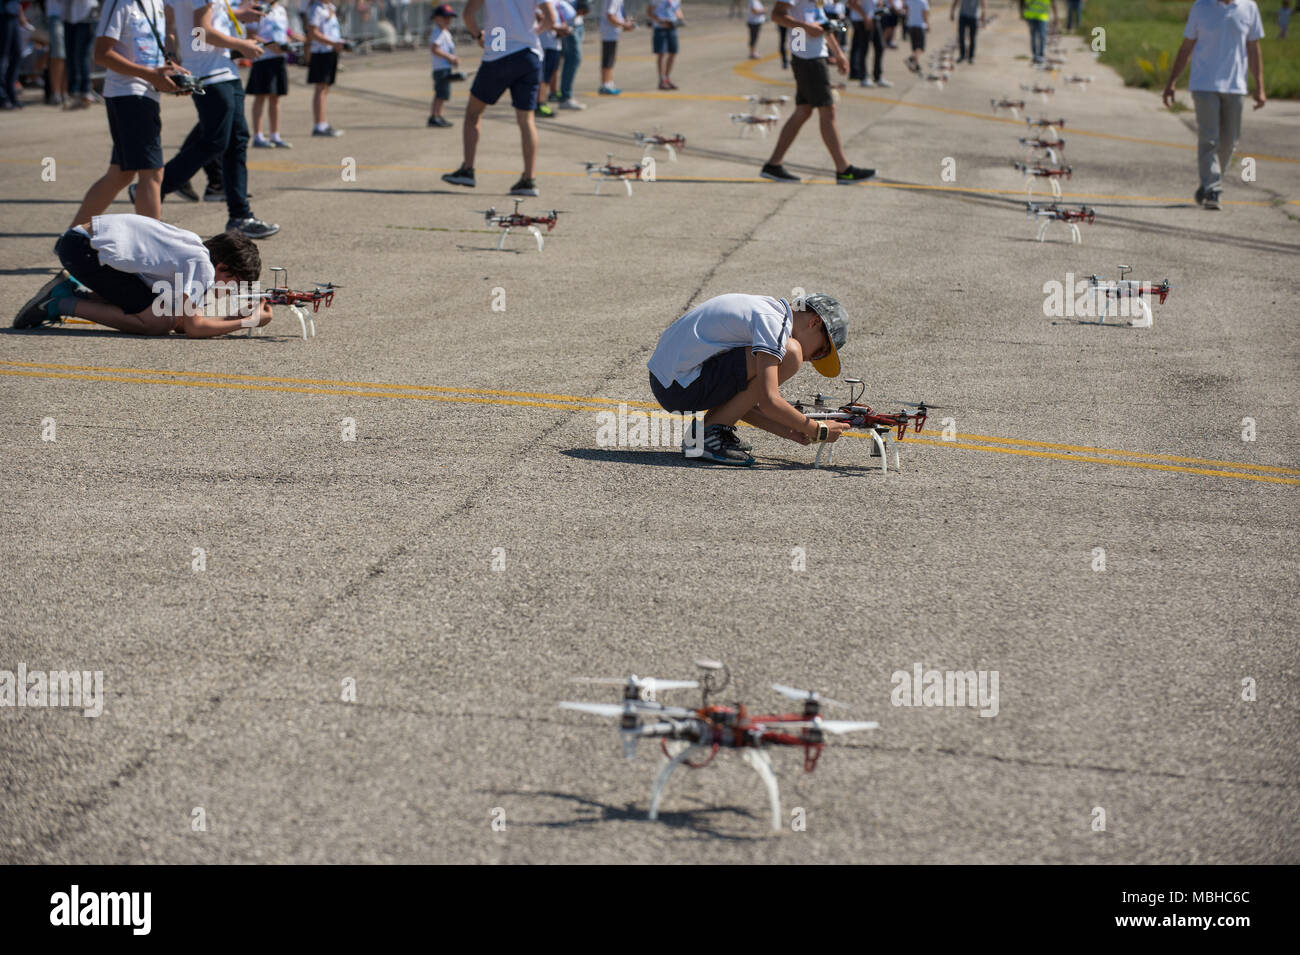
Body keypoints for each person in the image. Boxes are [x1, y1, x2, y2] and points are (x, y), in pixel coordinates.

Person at [647, 292, 852, 465]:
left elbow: (740, 400)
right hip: (681, 386)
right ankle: (706, 438)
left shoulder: (769, 310)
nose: (812, 359)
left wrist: (791, 430)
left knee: (784, 356)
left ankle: (704, 435)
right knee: (792, 353)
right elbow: (768, 401)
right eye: (821, 351)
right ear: (814, 322)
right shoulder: (775, 324)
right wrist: (817, 429)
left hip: (671, 382)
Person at [13, 214, 273, 337]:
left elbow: (181, 321)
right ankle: (61, 302)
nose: (227, 292)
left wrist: (230, 317)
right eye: (233, 285)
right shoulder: (202, 266)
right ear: (224, 268)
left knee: (162, 315)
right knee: (156, 324)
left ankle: (73, 293)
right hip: (85, 251)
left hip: (80, 243)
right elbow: (194, 328)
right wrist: (248, 321)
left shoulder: (194, 249)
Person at [151, 0, 278, 238]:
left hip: (219, 69)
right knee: (216, 141)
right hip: (210, 73)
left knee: (235, 140)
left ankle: (240, 216)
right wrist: (243, 45)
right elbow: (203, 31)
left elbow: (172, 23)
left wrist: (238, 14)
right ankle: (153, 188)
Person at [67, 0, 183, 220]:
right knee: (152, 173)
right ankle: (151, 247)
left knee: (120, 174)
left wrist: (172, 71)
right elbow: (102, 55)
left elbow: (148, 51)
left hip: (144, 95)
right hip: (129, 94)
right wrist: (150, 75)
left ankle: (73, 236)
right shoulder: (120, 2)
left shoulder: (157, 2)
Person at [441, 0, 558, 197]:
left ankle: (468, 168)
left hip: (499, 45)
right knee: (526, 120)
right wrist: (533, 32)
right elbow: (551, 19)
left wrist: (478, 35)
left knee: (473, 114)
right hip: (529, 51)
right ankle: (529, 179)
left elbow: (468, 15)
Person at [1163, 0, 1266, 211]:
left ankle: (1209, 182)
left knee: (1230, 142)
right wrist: (1171, 81)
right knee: (1209, 139)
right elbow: (1187, 47)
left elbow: (1254, 48)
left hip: (1236, 86)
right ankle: (1213, 189)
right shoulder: (1201, 7)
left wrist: (1260, 86)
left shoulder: (1249, 7)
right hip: (1204, 84)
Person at [761, 0, 875, 184]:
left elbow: (822, 24)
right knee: (827, 111)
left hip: (814, 56)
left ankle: (773, 164)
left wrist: (838, 53)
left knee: (803, 111)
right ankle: (843, 169)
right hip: (807, 58)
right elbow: (777, 15)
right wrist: (805, 27)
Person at [248, 0, 297, 147]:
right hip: (263, 57)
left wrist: (287, 43)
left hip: (279, 58)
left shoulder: (281, 10)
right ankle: (258, 136)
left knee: (275, 97)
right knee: (261, 96)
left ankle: (275, 135)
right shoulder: (257, 8)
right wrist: (270, 45)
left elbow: (283, 32)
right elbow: (250, 34)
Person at [306, 0, 344, 135]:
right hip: (321, 52)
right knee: (320, 88)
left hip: (330, 51)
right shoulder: (317, 8)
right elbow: (313, 32)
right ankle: (319, 125)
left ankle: (323, 122)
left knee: (325, 88)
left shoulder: (330, 7)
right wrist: (332, 42)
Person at [538, 0, 573, 114]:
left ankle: (542, 100)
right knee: (544, 75)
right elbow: (540, 17)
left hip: (553, 43)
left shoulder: (556, 2)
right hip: (545, 44)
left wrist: (563, 28)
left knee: (549, 73)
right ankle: (539, 103)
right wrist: (558, 28)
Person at [427, 2, 456, 126]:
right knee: (440, 93)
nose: (447, 20)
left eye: (449, 18)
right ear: (436, 18)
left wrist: (453, 59)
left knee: (443, 93)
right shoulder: (437, 32)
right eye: (445, 17)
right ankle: (435, 116)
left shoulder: (445, 32)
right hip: (441, 68)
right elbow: (434, 49)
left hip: (445, 67)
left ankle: (438, 115)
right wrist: (449, 57)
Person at [0, 0, 33, 108]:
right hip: (3, 14)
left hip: (13, 13)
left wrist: (20, 13)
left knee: (17, 54)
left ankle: (11, 93)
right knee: (2, 57)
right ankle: (2, 96)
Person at [64, 0, 96, 107]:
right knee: (71, 57)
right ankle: (74, 92)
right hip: (69, 17)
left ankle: (85, 91)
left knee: (81, 56)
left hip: (86, 16)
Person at [597, 0, 632, 94]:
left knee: (610, 59)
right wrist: (624, 24)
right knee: (608, 59)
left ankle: (609, 82)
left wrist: (624, 22)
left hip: (611, 32)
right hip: (609, 33)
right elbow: (610, 15)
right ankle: (606, 84)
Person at [648, 0, 682, 90]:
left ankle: (667, 78)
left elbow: (677, 9)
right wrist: (661, 21)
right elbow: (649, 12)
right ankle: (662, 80)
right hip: (660, 28)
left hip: (672, 26)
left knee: (673, 53)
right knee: (661, 54)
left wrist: (679, 17)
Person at [557, 0, 585, 107]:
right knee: (573, 58)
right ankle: (565, 97)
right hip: (566, 25)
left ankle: (561, 94)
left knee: (568, 59)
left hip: (577, 23)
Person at [1020, 0, 1056, 65]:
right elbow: (1022, 3)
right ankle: (1035, 56)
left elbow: (1053, 3)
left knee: (1042, 36)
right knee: (1035, 37)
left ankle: (1041, 55)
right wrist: (1022, 13)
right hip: (1031, 16)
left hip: (1042, 17)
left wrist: (1056, 16)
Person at [45, 0, 67, 105]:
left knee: (69, 55)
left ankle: (65, 92)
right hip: (55, 15)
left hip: (75, 17)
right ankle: (56, 93)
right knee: (58, 54)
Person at [903, 0, 926, 73]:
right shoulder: (923, 1)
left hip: (911, 25)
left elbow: (906, 10)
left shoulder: (909, 1)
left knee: (915, 47)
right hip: (920, 26)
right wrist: (927, 24)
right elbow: (924, 14)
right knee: (921, 48)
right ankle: (910, 59)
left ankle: (917, 65)